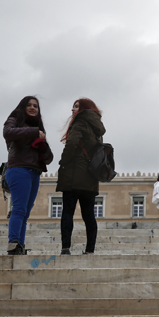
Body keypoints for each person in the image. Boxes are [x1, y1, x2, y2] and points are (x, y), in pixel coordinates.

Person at [3, 96, 53, 255]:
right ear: (23, 107)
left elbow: (49, 158)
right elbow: (7, 132)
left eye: (36, 106)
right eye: (29, 105)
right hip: (19, 169)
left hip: (34, 172)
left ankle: (20, 245)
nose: (33, 108)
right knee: (18, 209)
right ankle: (13, 242)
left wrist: (43, 146)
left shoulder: (38, 128)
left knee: (25, 212)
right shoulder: (15, 119)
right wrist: (33, 133)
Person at [56, 98, 105, 255]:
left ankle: (65, 248)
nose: (72, 110)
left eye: (76, 106)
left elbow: (71, 144)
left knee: (68, 212)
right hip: (91, 178)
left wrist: (63, 162)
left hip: (73, 176)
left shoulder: (80, 122)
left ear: (84, 109)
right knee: (89, 215)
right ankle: (90, 250)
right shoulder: (97, 128)